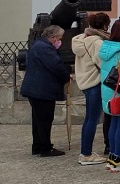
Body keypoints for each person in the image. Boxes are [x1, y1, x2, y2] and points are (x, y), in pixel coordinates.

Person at [20, 25, 70, 157]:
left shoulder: (38, 45)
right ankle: (45, 148)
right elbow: (56, 66)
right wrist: (66, 75)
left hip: (36, 88)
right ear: (53, 37)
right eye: (59, 38)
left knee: (38, 120)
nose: (60, 41)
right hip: (42, 89)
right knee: (44, 119)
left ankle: (37, 146)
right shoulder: (45, 48)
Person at [71, 12, 111, 165]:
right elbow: (103, 63)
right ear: (105, 26)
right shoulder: (97, 43)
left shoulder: (81, 39)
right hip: (95, 82)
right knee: (92, 120)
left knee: (89, 119)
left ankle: (85, 152)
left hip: (85, 82)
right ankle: (86, 154)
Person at [99, 19, 120, 171]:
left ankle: (112, 158)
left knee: (113, 124)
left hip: (107, 89)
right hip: (119, 91)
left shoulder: (105, 47)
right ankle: (117, 160)